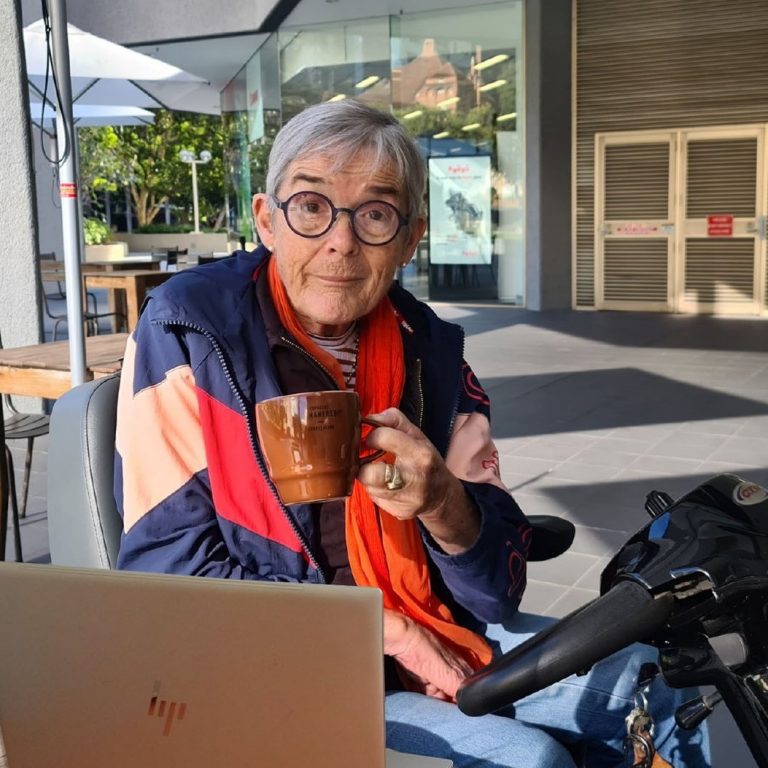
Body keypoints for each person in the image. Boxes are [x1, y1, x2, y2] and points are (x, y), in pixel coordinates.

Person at [114, 100, 710, 768]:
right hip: (277, 666)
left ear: (411, 238)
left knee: (664, 680)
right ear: (266, 219)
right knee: (528, 758)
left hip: (440, 626)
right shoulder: (193, 332)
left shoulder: (433, 354)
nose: (341, 241)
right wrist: (390, 634)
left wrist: (443, 504)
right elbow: (165, 575)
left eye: (374, 214)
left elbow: (497, 588)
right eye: (311, 206)